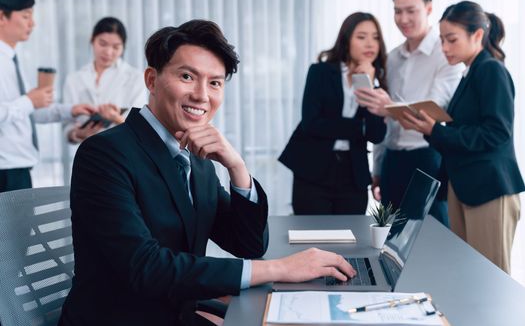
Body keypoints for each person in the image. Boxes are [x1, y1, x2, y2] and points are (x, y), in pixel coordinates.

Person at [59, 20, 356, 326]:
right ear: (151, 80)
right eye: (187, 76)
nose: (202, 95)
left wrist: (237, 167)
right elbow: (145, 267)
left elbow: (248, 244)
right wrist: (279, 269)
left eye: (215, 83)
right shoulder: (106, 153)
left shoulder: (196, 157)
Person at [397, 1, 524, 274]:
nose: (444, 48)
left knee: (490, 278)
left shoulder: (490, 70)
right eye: (442, 40)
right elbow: (463, 132)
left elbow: (496, 133)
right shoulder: (471, 72)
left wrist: (436, 130)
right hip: (466, 186)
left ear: (477, 35)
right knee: (470, 275)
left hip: (488, 189)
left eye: (451, 40)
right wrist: (429, 129)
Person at [354, 0, 463, 226]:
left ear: (428, 9)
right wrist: (378, 169)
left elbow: (434, 109)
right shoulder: (392, 58)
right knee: (391, 239)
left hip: (427, 158)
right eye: (397, 11)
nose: (403, 19)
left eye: (410, 11)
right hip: (392, 160)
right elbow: (383, 117)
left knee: (432, 241)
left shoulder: (444, 54)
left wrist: (388, 107)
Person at [279, 12, 387, 215]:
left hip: (352, 172)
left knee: (350, 239)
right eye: (362, 37)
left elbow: (376, 134)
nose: (370, 44)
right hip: (313, 167)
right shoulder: (320, 72)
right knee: (312, 236)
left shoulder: (377, 79)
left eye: (375, 37)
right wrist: (358, 128)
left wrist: (368, 85)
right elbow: (312, 123)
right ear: (346, 41)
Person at [0, 0, 95, 193]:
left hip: (17, 169)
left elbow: (28, 114)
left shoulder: (11, 59)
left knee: (19, 227)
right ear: (2, 17)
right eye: (25, 16)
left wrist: (70, 110)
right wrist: (29, 101)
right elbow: (22, 107)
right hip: (5, 171)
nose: (32, 24)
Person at [63, 16, 147, 143]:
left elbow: (140, 128)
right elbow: (67, 126)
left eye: (116, 47)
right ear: (92, 40)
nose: (108, 52)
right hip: (87, 152)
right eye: (102, 44)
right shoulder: (74, 79)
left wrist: (115, 118)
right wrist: (77, 133)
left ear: (123, 47)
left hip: (121, 151)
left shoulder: (135, 78)